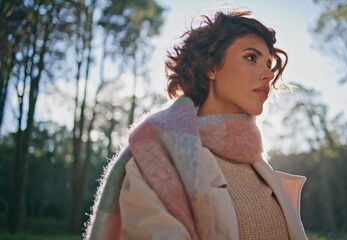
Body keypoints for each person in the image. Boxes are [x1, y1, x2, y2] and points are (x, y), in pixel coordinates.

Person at [84, 10, 307, 240]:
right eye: (251, 57)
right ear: (212, 67)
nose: (269, 74)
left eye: (269, 64)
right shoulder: (155, 155)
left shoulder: (261, 170)